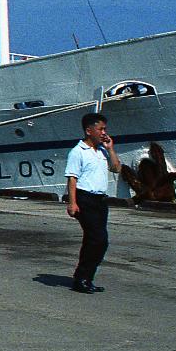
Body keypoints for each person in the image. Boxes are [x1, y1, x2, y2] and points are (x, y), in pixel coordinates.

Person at [65, 111, 122, 294]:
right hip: (84, 198)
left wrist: (111, 148)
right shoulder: (78, 151)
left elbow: (116, 168)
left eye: (105, 129)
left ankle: (85, 279)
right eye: (101, 129)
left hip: (100, 200)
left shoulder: (103, 150)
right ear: (89, 131)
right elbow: (72, 179)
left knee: (96, 241)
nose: (104, 132)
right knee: (98, 239)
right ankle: (81, 278)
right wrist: (72, 203)